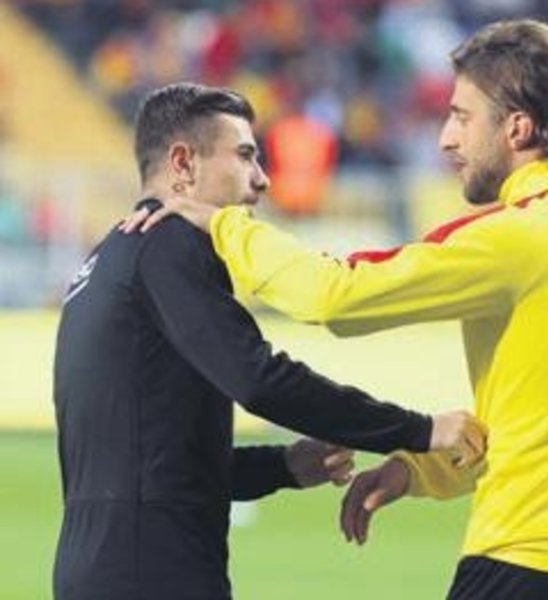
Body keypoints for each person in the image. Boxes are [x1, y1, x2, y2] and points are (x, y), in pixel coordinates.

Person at [124, 19, 548, 600]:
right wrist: (415, 470)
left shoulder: (517, 236)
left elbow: (334, 295)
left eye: (462, 117)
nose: (446, 139)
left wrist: (225, 225)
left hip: (533, 563)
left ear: (517, 127)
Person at [53, 83, 486, 600]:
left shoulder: (109, 257)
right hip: (152, 572)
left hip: (107, 565)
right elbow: (259, 378)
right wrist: (419, 430)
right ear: (183, 163)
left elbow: (157, 466)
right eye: (244, 156)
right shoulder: (169, 245)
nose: (261, 178)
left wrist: (283, 467)